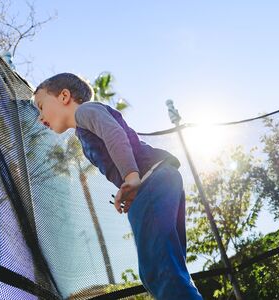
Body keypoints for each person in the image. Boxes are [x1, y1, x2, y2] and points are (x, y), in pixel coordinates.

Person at [33, 73, 203, 300]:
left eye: (41, 107)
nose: (39, 117)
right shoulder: (83, 128)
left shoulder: (85, 111)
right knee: (166, 265)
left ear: (64, 96)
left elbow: (114, 134)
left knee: (160, 269)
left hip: (151, 179)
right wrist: (130, 189)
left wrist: (131, 176)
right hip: (157, 181)